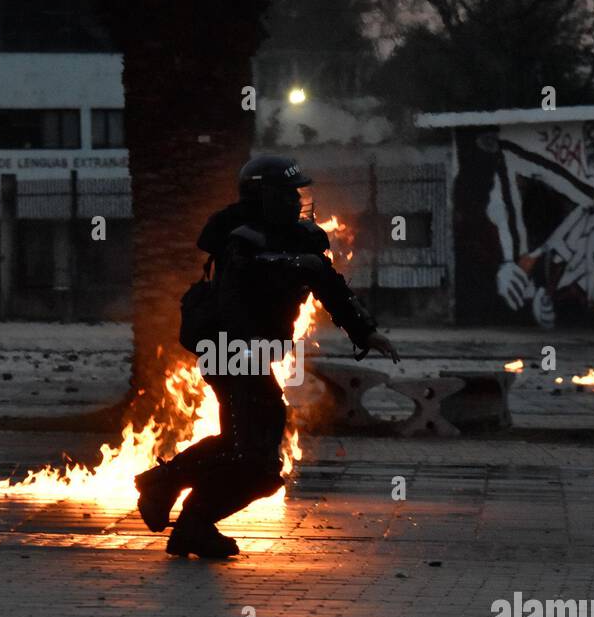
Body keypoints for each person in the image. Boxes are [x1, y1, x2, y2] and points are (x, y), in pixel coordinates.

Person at [134, 155, 399, 558]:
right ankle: (177, 501)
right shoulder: (241, 238)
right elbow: (249, 275)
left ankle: (185, 513)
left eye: (299, 193)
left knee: (243, 448)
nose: (297, 201)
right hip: (229, 351)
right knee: (257, 463)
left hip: (254, 356)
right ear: (263, 196)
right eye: (287, 193)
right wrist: (294, 263)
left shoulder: (300, 239)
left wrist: (365, 331)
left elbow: (328, 283)